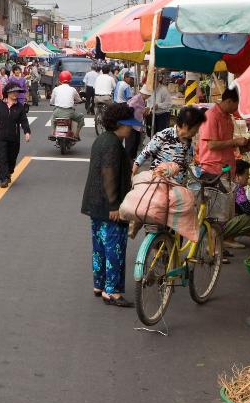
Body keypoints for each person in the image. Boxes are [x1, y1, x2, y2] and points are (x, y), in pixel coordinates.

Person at [82, 103, 138, 308]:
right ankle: (111, 291)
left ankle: (99, 284)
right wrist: (115, 205)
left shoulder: (102, 139)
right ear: (120, 124)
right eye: (128, 125)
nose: (130, 129)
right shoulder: (113, 144)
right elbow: (108, 174)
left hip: (95, 203)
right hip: (109, 206)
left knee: (99, 245)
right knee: (114, 247)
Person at [196, 88, 250, 179]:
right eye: (237, 105)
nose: (237, 108)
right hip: (214, 169)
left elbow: (225, 143)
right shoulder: (211, 116)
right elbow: (212, 145)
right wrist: (235, 142)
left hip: (227, 168)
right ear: (229, 101)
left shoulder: (228, 117)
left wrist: (244, 145)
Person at [135, 105, 206, 177]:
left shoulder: (190, 143)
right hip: (158, 181)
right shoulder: (165, 135)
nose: (197, 131)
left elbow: (189, 165)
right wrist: (133, 173)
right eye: (196, 128)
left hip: (177, 185)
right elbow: (144, 154)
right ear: (185, 126)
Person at [0, 83, 31, 188]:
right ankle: (3, 179)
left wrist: (27, 132)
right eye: (13, 92)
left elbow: (24, 120)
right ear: (8, 92)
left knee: (12, 157)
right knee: (2, 157)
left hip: (14, 137)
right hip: (0, 136)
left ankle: (9, 171)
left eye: (17, 92)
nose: (15, 94)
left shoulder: (20, 107)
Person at [49, 69, 82, 142]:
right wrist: (80, 101)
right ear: (70, 80)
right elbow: (79, 100)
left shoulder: (56, 89)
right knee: (81, 118)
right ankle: (76, 135)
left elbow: (52, 101)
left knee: (53, 119)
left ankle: (52, 132)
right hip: (69, 112)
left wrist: (51, 103)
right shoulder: (72, 89)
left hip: (58, 111)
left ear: (60, 80)